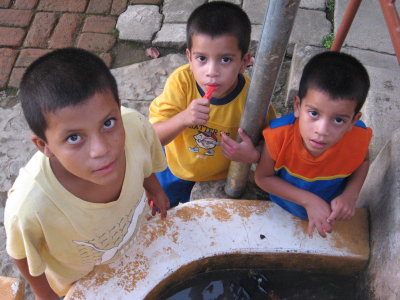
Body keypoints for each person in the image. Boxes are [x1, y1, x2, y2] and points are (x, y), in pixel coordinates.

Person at [4, 48, 169, 299]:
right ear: (44, 145)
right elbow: (21, 253)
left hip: (137, 249)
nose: (101, 150)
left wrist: (155, 189)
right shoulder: (29, 207)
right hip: (81, 285)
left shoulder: (135, 126)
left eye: (108, 123)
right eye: (74, 137)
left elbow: (144, 161)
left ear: (118, 108)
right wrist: (45, 295)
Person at [149, 1, 276, 207]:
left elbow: (274, 144)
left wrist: (253, 154)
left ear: (244, 61)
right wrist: (183, 119)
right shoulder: (181, 83)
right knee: (162, 210)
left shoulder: (253, 98)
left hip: (221, 180)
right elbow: (153, 138)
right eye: (201, 58)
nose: (211, 71)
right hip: (174, 168)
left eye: (225, 60)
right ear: (189, 58)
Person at [255, 51, 372, 238]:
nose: (322, 130)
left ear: (353, 120)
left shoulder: (357, 138)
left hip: (328, 211)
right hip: (283, 207)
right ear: (297, 106)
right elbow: (262, 178)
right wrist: (310, 201)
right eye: (314, 114)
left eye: (339, 120)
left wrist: (350, 195)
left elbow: (363, 161)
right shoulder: (279, 136)